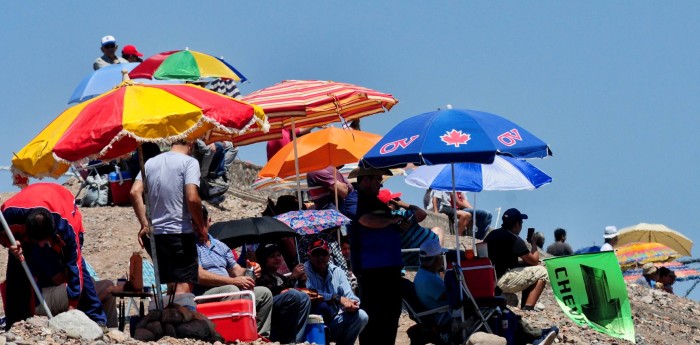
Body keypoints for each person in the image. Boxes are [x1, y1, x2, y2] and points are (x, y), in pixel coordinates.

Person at [1, 183, 109, 328]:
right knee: (17, 263)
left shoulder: (66, 227)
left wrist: (72, 308)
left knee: (78, 268)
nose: (41, 245)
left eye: (44, 241)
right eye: (36, 241)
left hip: (62, 203)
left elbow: (74, 266)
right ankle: (15, 322)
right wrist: (11, 244)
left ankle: (96, 318)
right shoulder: (9, 214)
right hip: (30, 206)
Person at [415, 239, 559, 345]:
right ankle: (534, 336)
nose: (443, 258)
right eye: (440, 256)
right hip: (449, 318)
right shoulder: (428, 280)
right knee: (497, 309)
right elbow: (453, 297)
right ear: (434, 260)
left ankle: (534, 335)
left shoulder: (424, 274)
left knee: (497, 307)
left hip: (447, 313)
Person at [130, 140, 208, 307]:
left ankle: (168, 322)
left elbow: (135, 191)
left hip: (155, 235)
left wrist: (144, 224)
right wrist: (201, 226)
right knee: (183, 284)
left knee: (170, 286)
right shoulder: (189, 162)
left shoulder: (151, 162)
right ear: (191, 143)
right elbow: (192, 197)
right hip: (179, 232)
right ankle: (181, 328)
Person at [342, 167, 407, 344]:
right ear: (365, 180)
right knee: (374, 315)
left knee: (391, 314)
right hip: (370, 267)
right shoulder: (353, 199)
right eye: (377, 180)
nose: (380, 183)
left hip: (391, 265)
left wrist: (397, 220)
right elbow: (366, 220)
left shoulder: (378, 202)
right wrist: (393, 220)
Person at [193, 207, 273, 337]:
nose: (197, 228)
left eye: (201, 223)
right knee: (231, 289)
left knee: (264, 293)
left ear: (209, 221)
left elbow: (235, 270)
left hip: (229, 289)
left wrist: (249, 270)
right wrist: (233, 281)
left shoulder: (220, 246)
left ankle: (259, 335)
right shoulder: (191, 246)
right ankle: (235, 335)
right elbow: (199, 275)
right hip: (205, 292)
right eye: (194, 223)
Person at [304, 239, 368, 345]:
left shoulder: (337, 271)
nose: (320, 258)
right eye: (316, 254)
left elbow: (350, 296)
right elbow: (310, 293)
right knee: (322, 306)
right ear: (309, 256)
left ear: (329, 256)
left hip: (335, 320)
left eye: (323, 254)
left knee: (362, 316)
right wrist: (336, 297)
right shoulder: (304, 271)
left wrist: (352, 304)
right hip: (314, 322)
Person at [483, 208, 549, 311]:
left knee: (528, 268)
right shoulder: (514, 239)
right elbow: (534, 261)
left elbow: (500, 260)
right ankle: (528, 308)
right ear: (517, 225)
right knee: (542, 272)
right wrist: (534, 243)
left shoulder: (493, 234)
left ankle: (524, 305)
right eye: (521, 223)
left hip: (489, 279)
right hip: (501, 280)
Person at [255, 243, 311, 343]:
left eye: (278, 255)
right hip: (269, 309)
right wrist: (293, 277)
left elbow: (292, 290)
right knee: (293, 295)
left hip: (284, 309)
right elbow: (275, 292)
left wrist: (302, 281)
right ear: (264, 260)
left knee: (305, 297)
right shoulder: (261, 277)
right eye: (272, 256)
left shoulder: (280, 277)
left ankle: (295, 340)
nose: (277, 258)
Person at [379, 188, 444, 267]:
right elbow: (422, 214)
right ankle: (439, 258)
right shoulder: (400, 215)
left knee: (436, 230)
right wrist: (402, 204)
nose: (399, 200)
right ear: (389, 204)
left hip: (409, 259)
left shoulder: (381, 222)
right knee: (438, 230)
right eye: (396, 199)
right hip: (426, 254)